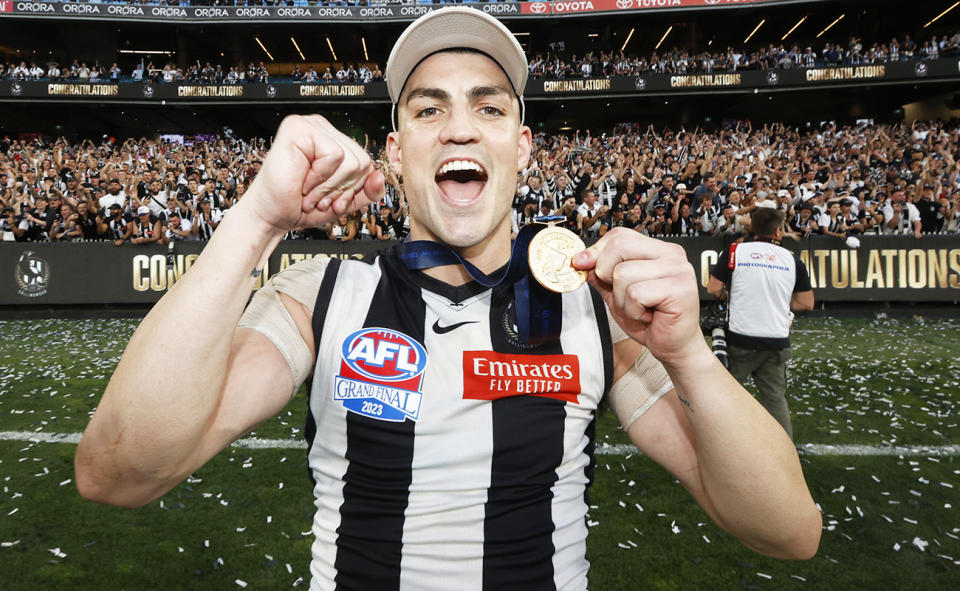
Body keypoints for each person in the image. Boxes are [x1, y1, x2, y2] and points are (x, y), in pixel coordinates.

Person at [75, 8, 820, 590]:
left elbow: (788, 529)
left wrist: (688, 352)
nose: (460, 126)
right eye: (428, 110)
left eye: (489, 109)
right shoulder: (326, 294)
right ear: (395, 152)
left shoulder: (593, 311)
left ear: (521, 148)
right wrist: (257, 219)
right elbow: (120, 469)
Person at [707, 208, 815, 440]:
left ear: (752, 228)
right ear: (778, 231)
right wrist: (778, 302)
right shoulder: (792, 259)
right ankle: (784, 452)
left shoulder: (735, 251)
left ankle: (723, 445)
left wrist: (732, 296)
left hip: (740, 340)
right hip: (776, 341)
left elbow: (713, 288)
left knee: (725, 395)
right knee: (775, 400)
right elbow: (806, 303)